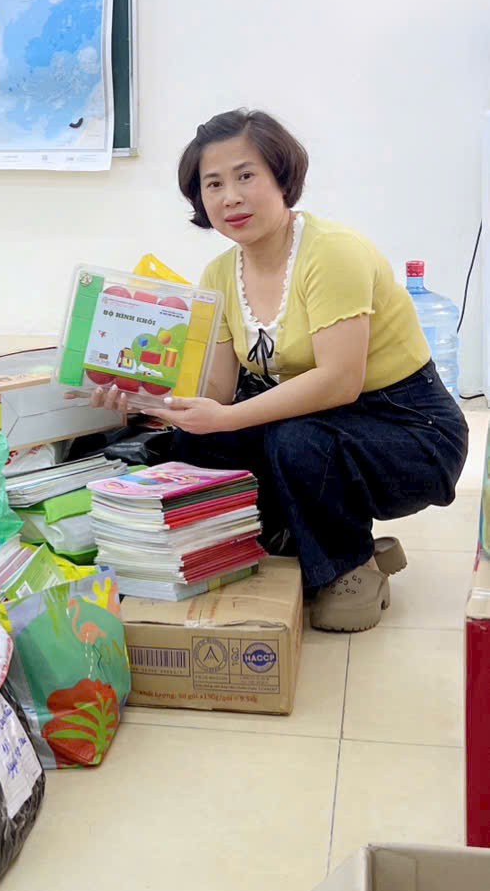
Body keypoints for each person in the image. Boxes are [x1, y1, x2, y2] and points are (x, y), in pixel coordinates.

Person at [93, 108, 468, 632]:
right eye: (213, 184)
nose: (231, 198)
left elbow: (340, 381)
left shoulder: (331, 252)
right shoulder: (220, 273)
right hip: (312, 419)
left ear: (281, 176)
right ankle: (281, 541)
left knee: (298, 441)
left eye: (246, 176)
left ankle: (350, 566)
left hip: (407, 426)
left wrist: (226, 417)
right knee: (198, 442)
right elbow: (220, 392)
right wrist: (143, 399)